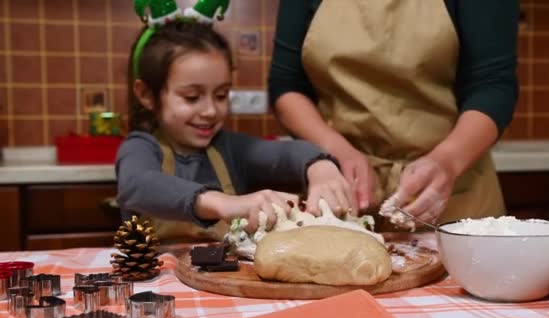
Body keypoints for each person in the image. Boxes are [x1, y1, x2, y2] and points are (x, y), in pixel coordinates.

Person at [268, 0, 519, 227]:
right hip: (340, 194)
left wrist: (448, 160)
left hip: (454, 194)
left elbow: (493, 85)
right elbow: (286, 85)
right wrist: (334, 148)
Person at [116, 5, 355, 242]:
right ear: (146, 94)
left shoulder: (230, 148)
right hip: (157, 279)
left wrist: (320, 166)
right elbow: (138, 186)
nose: (210, 110)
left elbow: (286, 154)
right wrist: (224, 203)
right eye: (191, 97)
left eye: (221, 95)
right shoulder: (140, 147)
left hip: (223, 278)